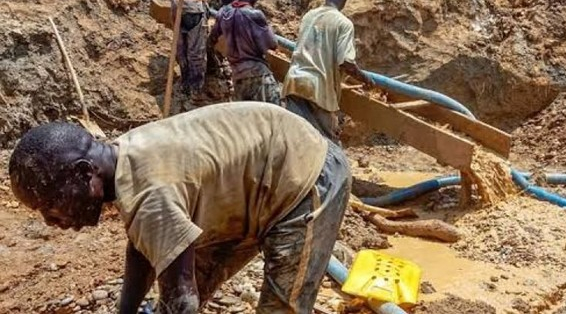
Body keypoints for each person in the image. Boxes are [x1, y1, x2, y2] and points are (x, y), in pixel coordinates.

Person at [8, 102, 351, 314]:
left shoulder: (149, 193)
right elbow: (143, 248)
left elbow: (183, 303)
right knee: (182, 286)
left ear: (86, 174)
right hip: (258, 183)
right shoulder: (123, 157)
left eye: (50, 205)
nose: (50, 220)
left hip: (307, 175)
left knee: (279, 308)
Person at [282, 0, 372, 142]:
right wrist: (365, 78)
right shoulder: (343, 24)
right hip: (318, 90)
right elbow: (346, 62)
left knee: (294, 140)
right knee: (326, 144)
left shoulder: (309, 16)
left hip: (294, 82)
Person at [208, 0, 281, 104]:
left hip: (238, 77)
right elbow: (272, 44)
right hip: (258, 75)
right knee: (275, 112)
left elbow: (211, 40)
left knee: (245, 116)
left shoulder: (223, 12)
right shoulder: (255, 15)